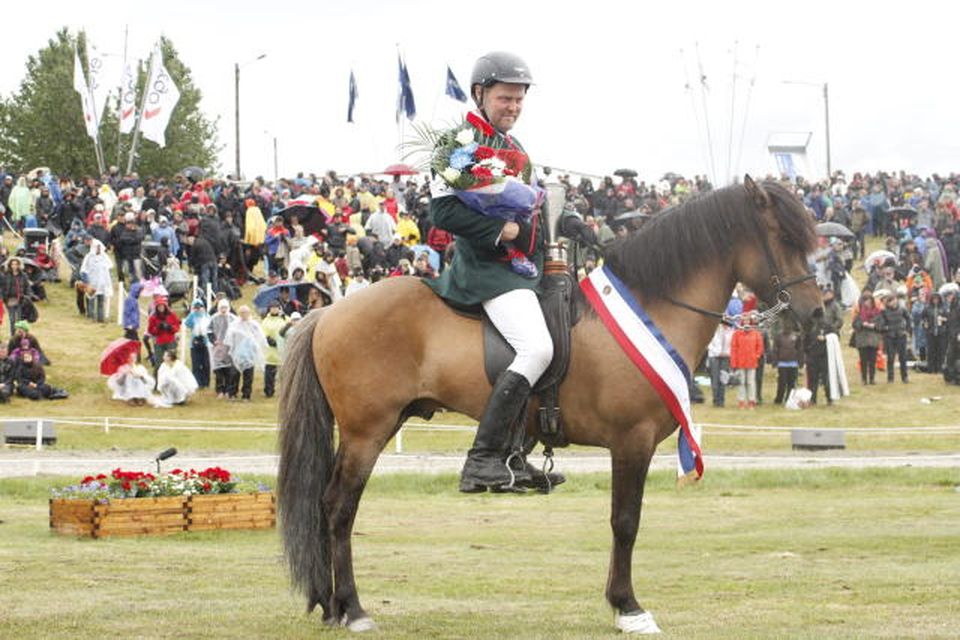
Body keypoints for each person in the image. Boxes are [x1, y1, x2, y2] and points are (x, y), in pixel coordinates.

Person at [426, 51, 559, 493]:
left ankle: (516, 457)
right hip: (486, 268)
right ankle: (483, 459)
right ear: (480, 94)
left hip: (524, 265)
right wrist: (497, 229)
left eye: (520, 100)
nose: (514, 108)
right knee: (537, 349)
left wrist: (564, 220)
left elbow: (533, 203)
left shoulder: (515, 148)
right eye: (506, 99)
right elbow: (442, 210)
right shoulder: (457, 144)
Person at [223, 305, 267, 402]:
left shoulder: (254, 325)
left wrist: (256, 347)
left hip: (249, 354)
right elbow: (229, 338)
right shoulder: (234, 324)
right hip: (237, 354)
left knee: (248, 376)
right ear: (239, 314)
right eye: (242, 313)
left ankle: (246, 395)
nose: (244, 315)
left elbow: (260, 337)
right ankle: (232, 393)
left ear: (249, 313)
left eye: (245, 312)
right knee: (234, 375)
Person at [876, 292, 912, 383]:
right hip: (889, 336)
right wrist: (885, 328)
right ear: (887, 303)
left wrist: (907, 330)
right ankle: (890, 378)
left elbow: (908, 319)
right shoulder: (884, 312)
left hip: (901, 335)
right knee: (890, 358)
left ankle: (905, 377)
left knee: (903, 357)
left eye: (894, 300)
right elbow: (880, 325)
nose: (894, 303)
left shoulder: (902, 309)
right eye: (891, 301)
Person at [729, 315, 764, 409]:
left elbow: (760, 347)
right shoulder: (737, 333)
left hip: (752, 362)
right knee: (741, 382)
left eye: (748, 320)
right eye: (744, 320)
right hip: (740, 362)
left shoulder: (756, 333)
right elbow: (733, 348)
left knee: (751, 382)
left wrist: (756, 356)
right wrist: (733, 362)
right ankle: (741, 401)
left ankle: (752, 401)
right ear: (742, 322)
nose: (746, 322)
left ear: (750, 321)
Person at [79, 239, 114, 323]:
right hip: (92, 283)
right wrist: (86, 282)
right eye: (96, 247)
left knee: (101, 302)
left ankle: (100, 318)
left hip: (102, 284)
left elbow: (109, 267)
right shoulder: (89, 257)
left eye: (99, 247)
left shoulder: (104, 257)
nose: (98, 249)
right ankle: (91, 317)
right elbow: (84, 269)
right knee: (91, 300)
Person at [852, 291, 882, 385]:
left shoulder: (877, 312)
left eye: (869, 300)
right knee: (863, 360)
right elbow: (854, 324)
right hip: (862, 339)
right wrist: (862, 324)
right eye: (865, 301)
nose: (867, 303)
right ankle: (864, 379)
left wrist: (874, 326)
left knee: (873, 360)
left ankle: (872, 379)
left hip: (873, 339)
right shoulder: (859, 312)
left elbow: (881, 325)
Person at [210, 299, 237, 399]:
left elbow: (237, 332)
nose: (224, 309)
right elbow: (209, 331)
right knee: (219, 371)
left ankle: (228, 391)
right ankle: (220, 390)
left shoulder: (233, 318)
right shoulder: (213, 318)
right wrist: (213, 340)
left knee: (229, 370)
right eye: (222, 307)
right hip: (218, 348)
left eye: (225, 307)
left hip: (229, 348)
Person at [771, 320, 802, 404]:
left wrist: (801, 361)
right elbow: (775, 349)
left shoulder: (796, 336)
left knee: (792, 383)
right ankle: (779, 399)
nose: (787, 328)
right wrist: (775, 362)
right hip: (782, 364)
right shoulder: (778, 336)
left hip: (793, 363)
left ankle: (789, 399)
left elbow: (799, 349)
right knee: (782, 383)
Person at [260, 300, 286, 398]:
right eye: (272, 308)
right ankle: (269, 391)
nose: (274, 309)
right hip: (271, 351)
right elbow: (263, 334)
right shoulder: (266, 321)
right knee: (269, 373)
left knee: (284, 373)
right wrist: (273, 342)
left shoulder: (284, 319)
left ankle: (284, 391)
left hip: (282, 350)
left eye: (276, 307)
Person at [184, 299, 212, 389]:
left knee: (206, 363)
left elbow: (210, 324)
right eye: (196, 307)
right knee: (196, 364)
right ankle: (197, 382)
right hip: (194, 343)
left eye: (199, 306)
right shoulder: (192, 316)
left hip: (205, 342)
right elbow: (187, 323)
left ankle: (206, 382)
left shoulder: (206, 316)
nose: (198, 308)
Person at [146, 297, 181, 371]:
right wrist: (158, 328)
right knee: (159, 363)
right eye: (159, 306)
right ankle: (158, 380)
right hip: (159, 342)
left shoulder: (171, 315)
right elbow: (150, 330)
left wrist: (170, 327)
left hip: (171, 341)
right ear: (156, 307)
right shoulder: (153, 317)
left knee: (172, 362)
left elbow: (177, 326)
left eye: (162, 306)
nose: (161, 308)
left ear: (165, 306)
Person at [1, 257, 32, 336]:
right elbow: (2, 287)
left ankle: (19, 335)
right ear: (10, 265)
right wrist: (3, 297)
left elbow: (27, 286)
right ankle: (13, 335)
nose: (14, 266)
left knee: (19, 319)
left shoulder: (23, 275)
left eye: (16, 264)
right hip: (9, 300)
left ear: (19, 265)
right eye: (12, 264)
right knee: (12, 319)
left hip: (20, 299)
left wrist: (28, 296)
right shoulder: (6, 275)